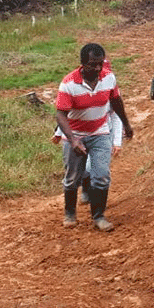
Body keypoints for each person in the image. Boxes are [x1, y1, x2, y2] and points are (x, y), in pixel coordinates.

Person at [55, 43, 133, 231]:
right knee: (73, 177)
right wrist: (73, 140)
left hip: (100, 133)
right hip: (75, 135)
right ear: (82, 64)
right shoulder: (68, 84)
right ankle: (70, 213)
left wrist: (127, 125)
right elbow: (60, 115)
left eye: (100, 64)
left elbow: (116, 102)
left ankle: (98, 216)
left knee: (102, 176)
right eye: (92, 64)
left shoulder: (109, 78)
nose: (97, 69)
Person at [52, 60, 124, 205]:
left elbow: (117, 116)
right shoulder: (73, 86)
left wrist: (117, 141)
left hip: (103, 133)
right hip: (78, 134)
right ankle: (85, 191)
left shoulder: (109, 88)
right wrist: (59, 133)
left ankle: (97, 208)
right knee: (82, 170)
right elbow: (69, 115)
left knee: (97, 169)